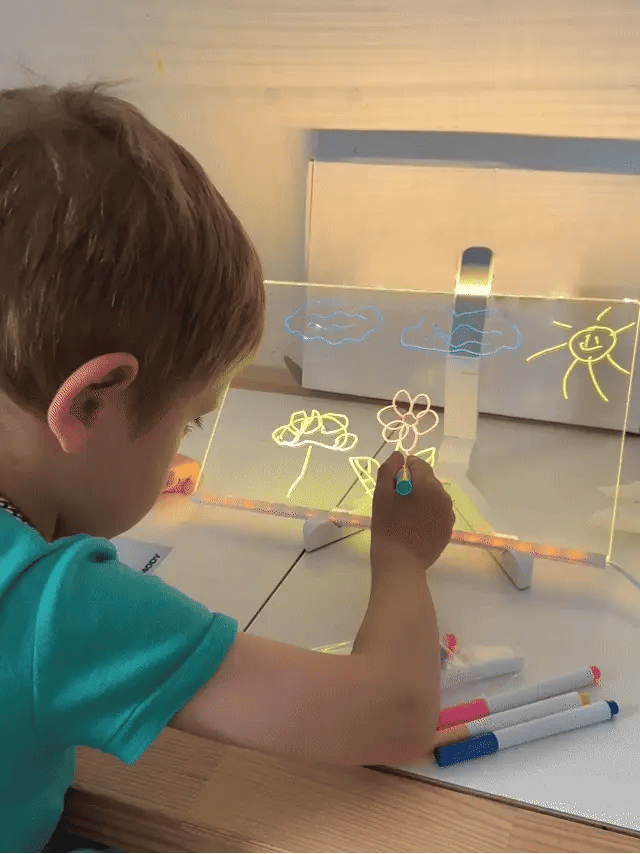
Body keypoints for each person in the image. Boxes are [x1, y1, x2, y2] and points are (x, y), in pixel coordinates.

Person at [0, 83, 455, 854]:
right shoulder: (52, 609)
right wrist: (403, 557)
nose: (186, 447)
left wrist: (103, 473)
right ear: (91, 404)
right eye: (190, 421)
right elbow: (391, 715)